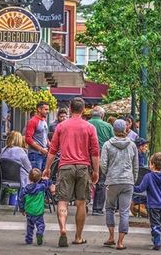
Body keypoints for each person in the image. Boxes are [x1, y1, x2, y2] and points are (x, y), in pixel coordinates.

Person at [43, 97, 99, 247]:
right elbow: (95, 152)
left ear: (70, 109)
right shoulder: (89, 127)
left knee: (63, 201)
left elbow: (52, 149)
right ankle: (78, 237)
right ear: (82, 110)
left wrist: (47, 168)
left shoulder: (61, 126)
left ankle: (63, 228)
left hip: (65, 166)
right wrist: (96, 171)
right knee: (81, 203)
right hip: (83, 167)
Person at [101, 119, 139, 250]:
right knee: (124, 211)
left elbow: (103, 164)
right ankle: (120, 242)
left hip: (112, 181)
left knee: (110, 208)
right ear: (125, 130)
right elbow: (136, 166)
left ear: (113, 130)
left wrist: (108, 174)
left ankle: (111, 237)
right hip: (128, 181)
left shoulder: (107, 145)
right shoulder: (132, 145)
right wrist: (133, 179)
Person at [134, 152, 161, 251]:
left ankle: (157, 241)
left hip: (153, 205)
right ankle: (156, 237)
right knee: (159, 224)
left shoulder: (148, 176)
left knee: (155, 224)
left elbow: (140, 189)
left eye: (150, 163)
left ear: (152, 164)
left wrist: (131, 187)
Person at [88, 106, 114, 216]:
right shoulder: (108, 126)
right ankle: (97, 209)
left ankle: (83, 204)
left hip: (86, 157)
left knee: (85, 181)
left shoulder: (86, 124)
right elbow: (112, 142)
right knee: (101, 182)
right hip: (101, 157)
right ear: (102, 115)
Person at [19, 168, 55, 245]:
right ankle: (39, 233)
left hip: (29, 211)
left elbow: (21, 200)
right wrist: (44, 178)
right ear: (39, 178)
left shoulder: (24, 190)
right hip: (39, 211)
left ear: (29, 178)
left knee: (30, 226)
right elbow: (48, 182)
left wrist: (22, 209)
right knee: (41, 225)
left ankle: (29, 239)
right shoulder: (41, 187)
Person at [25, 101, 50, 171]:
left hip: (44, 154)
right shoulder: (33, 121)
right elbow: (28, 139)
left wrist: (50, 145)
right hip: (35, 154)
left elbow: (45, 136)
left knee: (42, 176)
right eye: (46, 109)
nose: (47, 111)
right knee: (36, 177)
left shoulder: (44, 120)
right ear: (39, 109)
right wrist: (41, 149)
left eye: (48, 109)